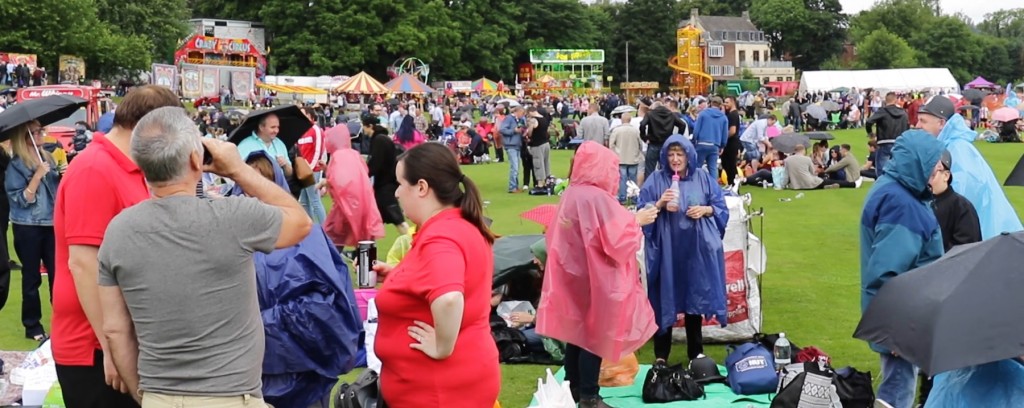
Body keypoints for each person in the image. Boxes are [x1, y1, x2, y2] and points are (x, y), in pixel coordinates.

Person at [98, 106, 313, 407]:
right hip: (231, 396)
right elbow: (301, 223)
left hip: (160, 395)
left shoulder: (119, 230)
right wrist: (238, 169)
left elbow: (115, 330)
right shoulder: (233, 216)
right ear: (196, 158)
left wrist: (145, 394)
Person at [52, 85, 182, 408]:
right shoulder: (95, 168)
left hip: (119, 338)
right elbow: (83, 264)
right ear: (151, 128)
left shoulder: (130, 168)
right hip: (93, 347)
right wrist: (112, 348)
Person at [369, 143, 500, 406]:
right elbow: (452, 280)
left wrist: (442, 346)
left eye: (400, 184)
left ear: (421, 187)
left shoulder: (441, 237)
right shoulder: (460, 224)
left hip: (438, 390)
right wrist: (400, 277)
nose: (395, 193)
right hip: (456, 381)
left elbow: (449, 297)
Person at [536, 141, 658, 408]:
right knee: (594, 335)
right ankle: (590, 396)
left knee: (577, 334)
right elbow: (615, 240)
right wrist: (637, 220)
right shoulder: (597, 198)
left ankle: (574, 388)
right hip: (596, 278)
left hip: (573, 276)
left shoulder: (572, 194)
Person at [860, 130, 945, 408]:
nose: (937, 169)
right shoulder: (902, 204)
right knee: (896, 393)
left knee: (897, 387)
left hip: (904, 315)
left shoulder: (896, 188)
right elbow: (887, 273)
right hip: (903, 318)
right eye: (934, 162)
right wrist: (896, 331)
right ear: (919, 162)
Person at [638, 135, 728, 365]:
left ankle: (695, 352)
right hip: (666, 249)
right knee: (664, 297)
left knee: (694, 297)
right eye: (671, 154)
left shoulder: (703, 179)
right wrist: (659, 203)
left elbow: (720, 207)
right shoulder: (656, 180)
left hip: (694, 250)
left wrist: (705, 210)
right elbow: (641, 212)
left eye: (680, 154)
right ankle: (661, 355)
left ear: (689, 155)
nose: (675, 159)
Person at [917, 149, 981, 407]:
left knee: (947, 348)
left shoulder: (960, 206)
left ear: (947, 174)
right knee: (925, 348)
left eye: (933, 172)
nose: (929, 178)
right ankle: (926, 397)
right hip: (925, 286)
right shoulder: (919, 203)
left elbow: (969, 249)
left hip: (951, 288)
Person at [925, 97, 1024, 239]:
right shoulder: (952, 146)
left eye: (923, 121)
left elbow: (962, 192)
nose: (918, 125)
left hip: (988, 230)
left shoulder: (958, 148)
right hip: (988, 227)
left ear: (941, 123)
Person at [5, 120, 61, 341]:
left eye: (42, 130)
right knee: (31, 277)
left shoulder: (47, 158)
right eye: (37, 131)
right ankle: (32, 326)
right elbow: (21, 199)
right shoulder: (16, 166)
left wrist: (61, 175)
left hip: (51, 224)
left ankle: (61, 322)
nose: (41, 134)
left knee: (58, 276)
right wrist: (37, 176)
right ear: (25, 136)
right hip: (27, 226)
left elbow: (55, 193)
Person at [320, 127, 385, 249]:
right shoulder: (353, 154)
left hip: (346, 204)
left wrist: (326, 181)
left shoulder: (338, 156)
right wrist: (327, 170)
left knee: (332, 237)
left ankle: (333, 264)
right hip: (363, 201)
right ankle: (365, 264)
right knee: (364, 236)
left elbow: (340, 180)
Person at [363, 115, 409, 235]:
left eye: (364, 127)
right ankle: (365, 249)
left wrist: (363, 174)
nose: (363, 130)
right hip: (384, 185)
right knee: (373, 221)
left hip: (385, 187)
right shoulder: (381, 139)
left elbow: (375, 164)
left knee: (397, 219)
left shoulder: (379, 140)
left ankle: (414, 244)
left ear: (370, 126)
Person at [864, 92, 909, 177]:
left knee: (881, 170)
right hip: (900, 143)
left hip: (884, 142)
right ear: (896, 100)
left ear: (885, 100)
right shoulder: (903, 113)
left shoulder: (882, 111)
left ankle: (883, 186)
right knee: (898, 169)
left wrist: (870, 133)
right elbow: (907, 127)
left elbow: (869, 121)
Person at [236, 113, 294, 178]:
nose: (276, 131)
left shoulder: (280, 143)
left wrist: (285, 165)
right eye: (273, 127)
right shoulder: (245, 146)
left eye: (278, 127)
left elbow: (289, 173)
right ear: (261, 127)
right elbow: (237, 172)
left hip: (278, 187)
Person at [639, 102, 688, 176]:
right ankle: (664, 184)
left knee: (649, 169)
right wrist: (676, 137)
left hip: (653, 143)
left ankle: (650, 185)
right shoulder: (671, 114)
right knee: (665, 168)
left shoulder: (650, 114)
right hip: (666, 143)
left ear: (654, 107)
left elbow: (642, 124)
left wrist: (644, 137)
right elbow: (682, 124)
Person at [296, 107, 327, 224]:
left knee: (314, 200)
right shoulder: (301, 131)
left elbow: (318, 150)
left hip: (312, 170)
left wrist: (311, 167)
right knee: (304, 201)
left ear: (310, 116)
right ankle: (311, 228)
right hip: (303, 170)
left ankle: (324, 228)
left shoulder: (316, 130)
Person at [784, 144, 860, 189]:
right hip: (810, 184)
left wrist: (782, 185)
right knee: (830, 181)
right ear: (803, 150)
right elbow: (813, 173)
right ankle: (853, 184)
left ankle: (826, 186)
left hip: (796, 185)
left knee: (827, 181)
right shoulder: (807, 159)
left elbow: (786, 176)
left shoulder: (787, 160)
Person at [609, 112, 644, 203]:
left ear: (621, 119)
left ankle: (622, 197)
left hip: (620, 158)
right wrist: (637, 152)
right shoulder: (635, 130)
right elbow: (640, 144)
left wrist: (614, 153)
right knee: (633, 179)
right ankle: (633, 197)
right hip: (633, 158)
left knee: (622, 179)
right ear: (630, 120)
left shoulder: (616, 130)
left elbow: (611, 144)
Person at [692, 97, 728, 182]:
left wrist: (694, 141)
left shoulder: (703, 114)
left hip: (701, 143)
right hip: (715, 144)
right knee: (713, 168)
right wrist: (722, 146)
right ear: (720, 105)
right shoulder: (723, 117)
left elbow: (696, 130)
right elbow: (724, 135)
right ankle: (714, 189)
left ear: (711, 103)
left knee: (697, 166)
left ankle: (694, 184)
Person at [500, 106, 525, 193]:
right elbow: (502, 129)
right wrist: (513, 131)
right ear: (517, 112)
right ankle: (512, 187)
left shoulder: (520, 120)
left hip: (517, 145)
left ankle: (515, 186)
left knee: (517, 167)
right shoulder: (509, 119)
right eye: (522, 113)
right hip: (510, 145)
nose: (523, 115)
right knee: (514, 167)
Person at [527, 106, 553, 188]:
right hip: (546, 143)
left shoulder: (534, 120)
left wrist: (529, 127)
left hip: (537, 144)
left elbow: (530, 133)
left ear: (530, 112)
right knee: (546, 162)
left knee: (538, 163)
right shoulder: (544, 119)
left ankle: (540, 183)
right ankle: (547, 181)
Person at [721, 97, 743, 186]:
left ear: (733, 102)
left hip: (731, 143)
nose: (725, 104)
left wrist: (723, 138)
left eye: (727, 102)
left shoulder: (733, 115)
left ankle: (733, 185)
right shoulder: (730, 114)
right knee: (727, 165)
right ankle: (732, 184)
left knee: (730, 165)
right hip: (731, 143)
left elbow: (732, 131)